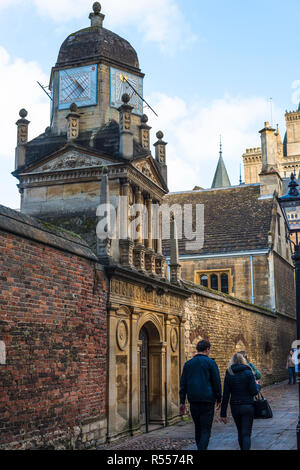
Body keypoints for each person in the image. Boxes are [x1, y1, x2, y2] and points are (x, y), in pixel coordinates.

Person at [179, 340, 222, 451]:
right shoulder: (211, 363)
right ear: (207, 349)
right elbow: (216, 382)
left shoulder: (188, 364)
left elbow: (183, 384)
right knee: (205, 429)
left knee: (198, 428)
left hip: (193, 400)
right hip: (207, 401)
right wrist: (219, 398)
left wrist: (182, 401)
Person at [220, 352, 258, 451]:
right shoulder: (248, 372)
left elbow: (226, 395)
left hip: (235, 407)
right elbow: (254, 392)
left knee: (240, 431)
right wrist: (258, 386)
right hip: (248, 406)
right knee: (246, 434)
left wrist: (223, 414)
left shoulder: (229, 373)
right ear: (243, 360)